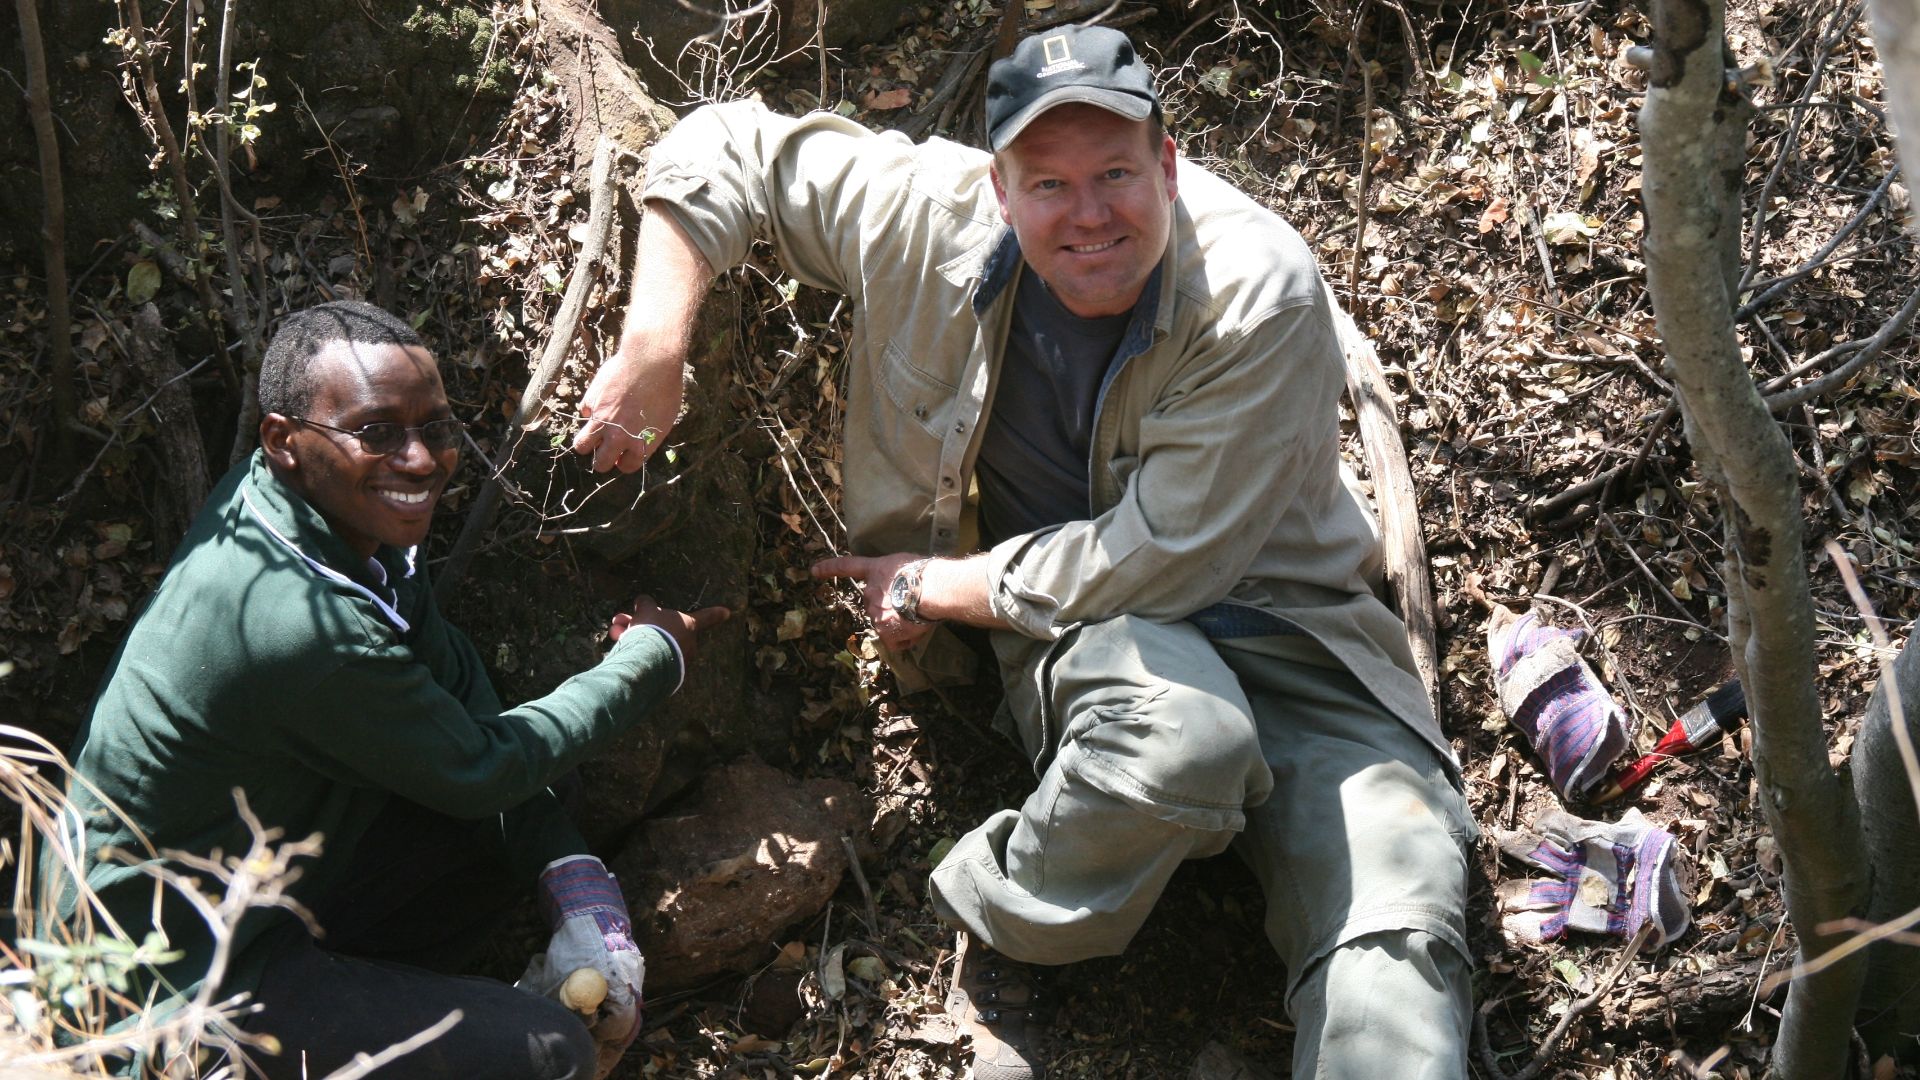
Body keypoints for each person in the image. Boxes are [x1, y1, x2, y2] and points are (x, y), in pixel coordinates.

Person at [572, 25, 1475, 1080]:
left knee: (1402, 922)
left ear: (1170, 168)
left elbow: (1164, 557)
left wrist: (933, 584)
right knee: (1180, 744)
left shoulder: (1257, 292)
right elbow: (723, 146)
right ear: (1000, 189)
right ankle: (1006, 926)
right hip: (1095, 642)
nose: (1088, 214)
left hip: (1287, 631)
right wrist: (655, 343)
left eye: (1116, 175)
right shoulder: (925, 215)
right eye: (1049, 182)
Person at [47, 300, 727, 1079]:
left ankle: (387, 1016)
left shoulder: (319, 516)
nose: (420, 460)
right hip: (168, 987)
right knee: (553, 1054)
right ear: (284, 441)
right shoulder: (295, 622)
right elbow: (481, 768)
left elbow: (457, 682)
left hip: (258, 893)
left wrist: (575, 885)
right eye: (376, 433)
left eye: (435, 429)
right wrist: (650, 658)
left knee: (535, 803)